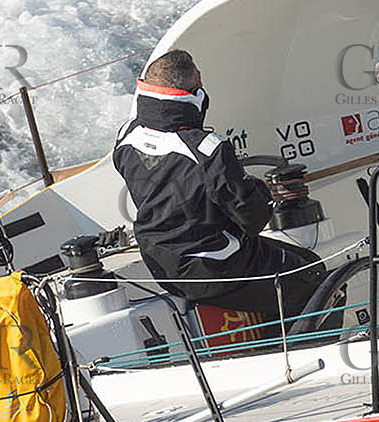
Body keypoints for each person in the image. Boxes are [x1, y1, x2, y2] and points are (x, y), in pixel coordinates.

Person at [113, 49, 325, 317]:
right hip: (213, 266)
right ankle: (302, 343)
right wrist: (262, 191)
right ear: (196, 93)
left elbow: (171, 188)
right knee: (313, 275)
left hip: (161, 265)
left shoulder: (126, 136)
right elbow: (253, 218)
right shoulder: (207, 149)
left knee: (297, 264)